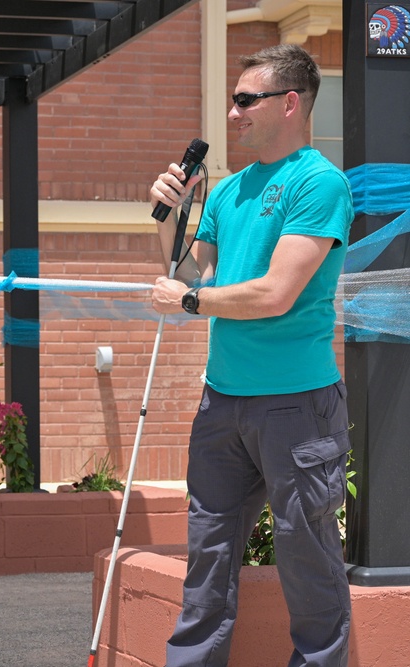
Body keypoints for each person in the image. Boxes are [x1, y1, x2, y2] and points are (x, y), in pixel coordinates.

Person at [149, 44, 353, 666]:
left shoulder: (318, 182)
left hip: (297, 409)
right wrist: (169, 218)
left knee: (307, 565)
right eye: (232, 102)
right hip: (222, 405)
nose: (232, 113)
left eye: (245, 100)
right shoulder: (230, 190)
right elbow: (184, 274)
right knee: (206, 563)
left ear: (289, 103)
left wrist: (191, 302)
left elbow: (275, 293)